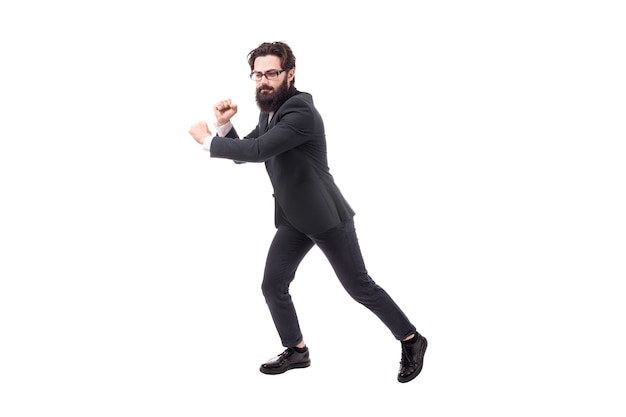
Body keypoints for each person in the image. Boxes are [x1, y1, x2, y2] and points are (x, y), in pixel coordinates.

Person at [188, 41, 427, 383]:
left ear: (290, 73)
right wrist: (224, 127)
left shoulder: (300, 111)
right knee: (273, 284)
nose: (263, 81)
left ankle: (411, 339)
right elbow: (245, 153)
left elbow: (256, 151)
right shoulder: (269, 110)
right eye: (258, 74)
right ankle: (297, 350)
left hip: (325, 216)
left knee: (359, 286)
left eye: (271, 72)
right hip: (294, 216)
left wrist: (207, 141)